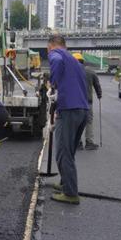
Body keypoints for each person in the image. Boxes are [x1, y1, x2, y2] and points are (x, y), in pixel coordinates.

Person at [48, 35, 89, 205]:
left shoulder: (55, 53)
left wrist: (52, 84)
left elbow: (56, 61)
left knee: (63, 153)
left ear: (50, 45)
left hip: (69, 110)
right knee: (69, 151)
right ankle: (66, 182)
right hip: (82, 110)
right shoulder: (73, 59)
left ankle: (71, 193)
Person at [72, 53, 101, 150]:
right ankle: (89, 142)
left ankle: (78, 143)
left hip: (75, 102)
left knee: (76, 122)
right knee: (88, 122)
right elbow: (97, 85)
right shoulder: (90, 71)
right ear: (83, 61)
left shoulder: (71, 71)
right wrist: (99, 95)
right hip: (88, 102)